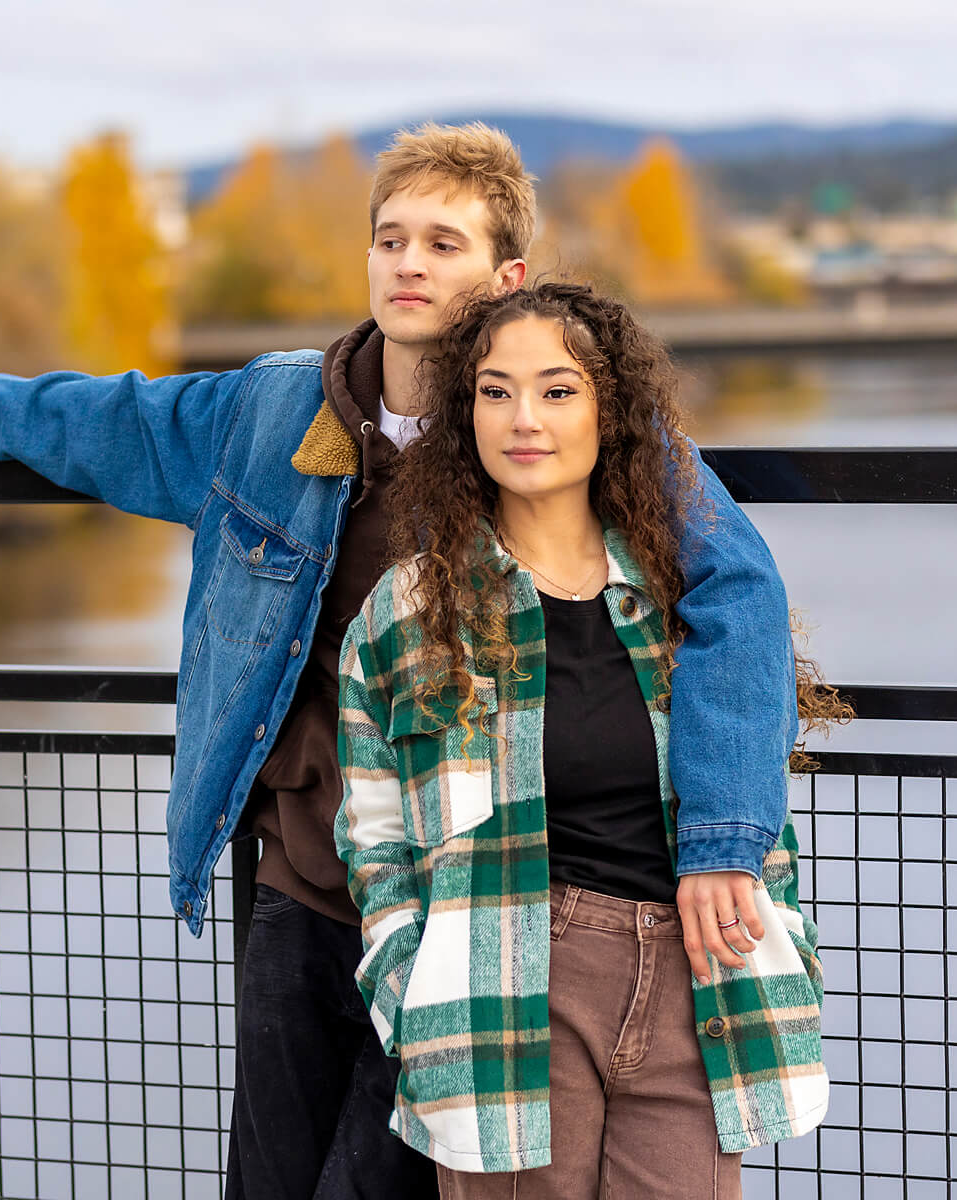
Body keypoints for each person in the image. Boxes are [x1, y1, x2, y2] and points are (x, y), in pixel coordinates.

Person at [0, 123, 801, 1200]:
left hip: (474, 899)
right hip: (304, 883)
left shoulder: (546, 420)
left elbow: (741, 591)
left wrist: (724, 836)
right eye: (390, 238)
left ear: (506, 276)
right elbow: (106, 418)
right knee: (272, 1179)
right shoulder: (272, 411)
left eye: (443, 244)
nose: (409, 263)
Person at [335, 282, 840, 1199]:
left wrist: (783, 931)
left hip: (699, 980)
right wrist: (413, 1000)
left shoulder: (687, 605)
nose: (524, 418)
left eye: (558, 390)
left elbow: (754, 788)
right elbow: (375, 842)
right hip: (507, 988)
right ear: (465, 415)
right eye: (495, 391)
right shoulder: (407, 613)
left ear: (612, 411)